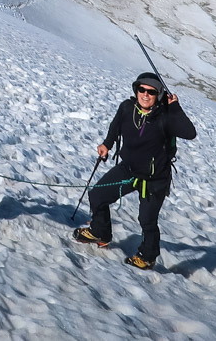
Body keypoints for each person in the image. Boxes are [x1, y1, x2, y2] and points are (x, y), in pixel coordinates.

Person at [74, 71, 197, 269]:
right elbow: (116, 126)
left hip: (154, 179)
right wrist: (107, 144)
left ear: (159, 95)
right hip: (128, 170)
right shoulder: (127, 108)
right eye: (142, 89)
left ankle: (148, 257)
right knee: (98, 195)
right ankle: (100, 231)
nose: (145, 94)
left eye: (151, 91)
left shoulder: (165, 117)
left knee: (147, 220)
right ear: (136, 89)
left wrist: (174, 107)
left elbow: (190, 133)